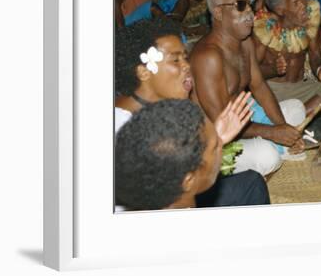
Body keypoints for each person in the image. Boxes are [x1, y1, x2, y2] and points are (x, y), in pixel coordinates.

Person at [114, 17, 270, 208]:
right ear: (143, 72)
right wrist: (216, 140)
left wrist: (216, 138)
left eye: (185, 58)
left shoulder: (160, 105)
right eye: (175, 60)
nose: (187, 66)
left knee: (251, 183)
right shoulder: (121, 130)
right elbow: (172, 192)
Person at [190, 0, 306, 176]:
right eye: (240, 5)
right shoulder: (207, 57)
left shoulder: (244, 43)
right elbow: (221, 121)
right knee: (268, 156)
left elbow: (259, 87)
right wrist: (273, 133)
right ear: (218, 13)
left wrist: (281, 127)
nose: (250, 13)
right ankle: (271, 152)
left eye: (249, 3)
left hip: (243, 120)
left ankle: (280, 146)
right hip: (213, 140)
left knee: (296, 109)